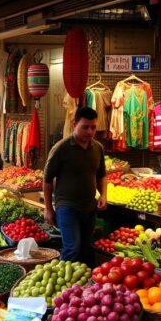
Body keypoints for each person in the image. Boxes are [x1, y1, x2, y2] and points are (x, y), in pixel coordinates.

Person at [43, 106, 107, 264]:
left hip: (89, 207)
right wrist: (48, 208)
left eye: (93, 127)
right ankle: (65, 286)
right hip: (67, 206)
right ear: (74, 124)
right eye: (85, 127)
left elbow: (101, 175)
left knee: (86, 248)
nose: (90, 131)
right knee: (72, 248)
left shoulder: (98, 148)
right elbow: (47, 179)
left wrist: (104, 195)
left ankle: (83, 286)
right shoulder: (61, 148)